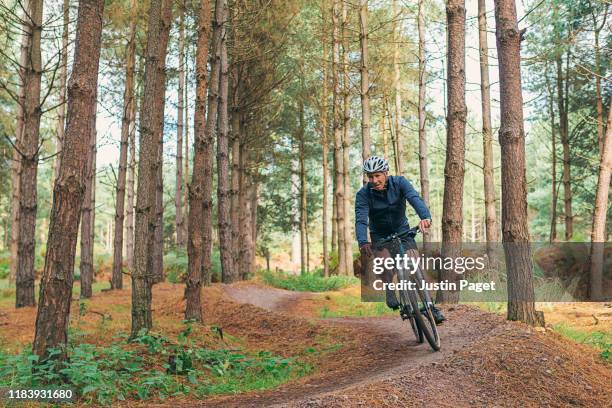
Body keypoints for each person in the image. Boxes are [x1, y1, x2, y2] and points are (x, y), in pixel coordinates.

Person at [355, 155, 446, 325]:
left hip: (402, 231)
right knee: (385, 263)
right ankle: (390, 288)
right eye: (370, 177)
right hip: (380, 235)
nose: (374, 180)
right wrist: (363, 241)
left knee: (415, 265)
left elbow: (414, 198)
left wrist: (425, 217)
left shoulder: (400, 183)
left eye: (377, 175)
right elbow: (361, 219)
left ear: (386, 173)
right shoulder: (363, 194)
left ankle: (430, 307)